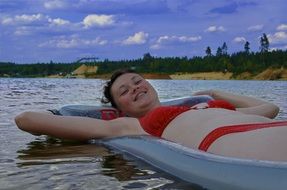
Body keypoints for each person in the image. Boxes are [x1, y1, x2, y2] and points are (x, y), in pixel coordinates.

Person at [15, 69, 287, 161]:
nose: (135, 88)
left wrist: (216, 92)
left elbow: (269, 110)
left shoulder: (200, 106)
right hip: (235, 141)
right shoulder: (130, 125)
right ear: (118, 108)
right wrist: (56, 112)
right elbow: (26, 119)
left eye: (137, 81)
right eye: (124, 90)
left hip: (265, 127)